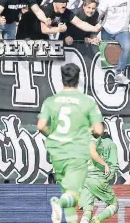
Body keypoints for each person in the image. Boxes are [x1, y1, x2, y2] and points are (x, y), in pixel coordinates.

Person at [37, 63, 104, 223]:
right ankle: (57, 203)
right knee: (73, 196)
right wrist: (90, 131)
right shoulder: (87, 101)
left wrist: (52, 135)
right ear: (78, 79)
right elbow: (99, 130)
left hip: (57, 153)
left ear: (62, 79)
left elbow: (40, 126)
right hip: (76, 153)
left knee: (68, 193)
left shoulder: (51, 101)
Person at [79, 130, 119, 223]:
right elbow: (114, 166)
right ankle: (98, 219)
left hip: (86, 180)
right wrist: (105, 180)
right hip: (98, 178)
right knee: (114, 205)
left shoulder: (89, 143)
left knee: (87, 210)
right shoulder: (111, 144)